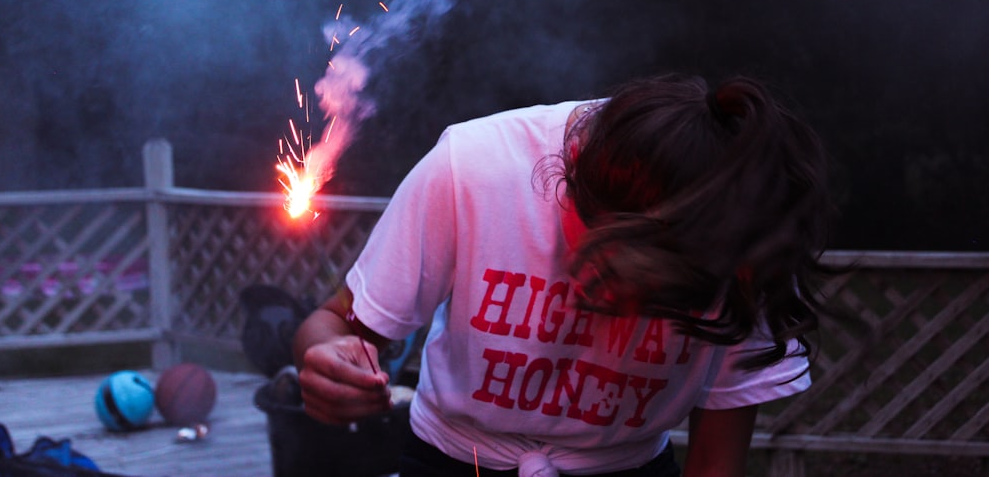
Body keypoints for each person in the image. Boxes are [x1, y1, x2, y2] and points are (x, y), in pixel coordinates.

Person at [293, 73, 833, 477]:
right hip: (454, 462)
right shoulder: (475, 167)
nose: (613, 301)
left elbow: (719, 453)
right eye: (607, 269)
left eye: (654, 296)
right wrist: (324, 361)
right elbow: (338, 325)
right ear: (568, 175)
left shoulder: (748, 227)